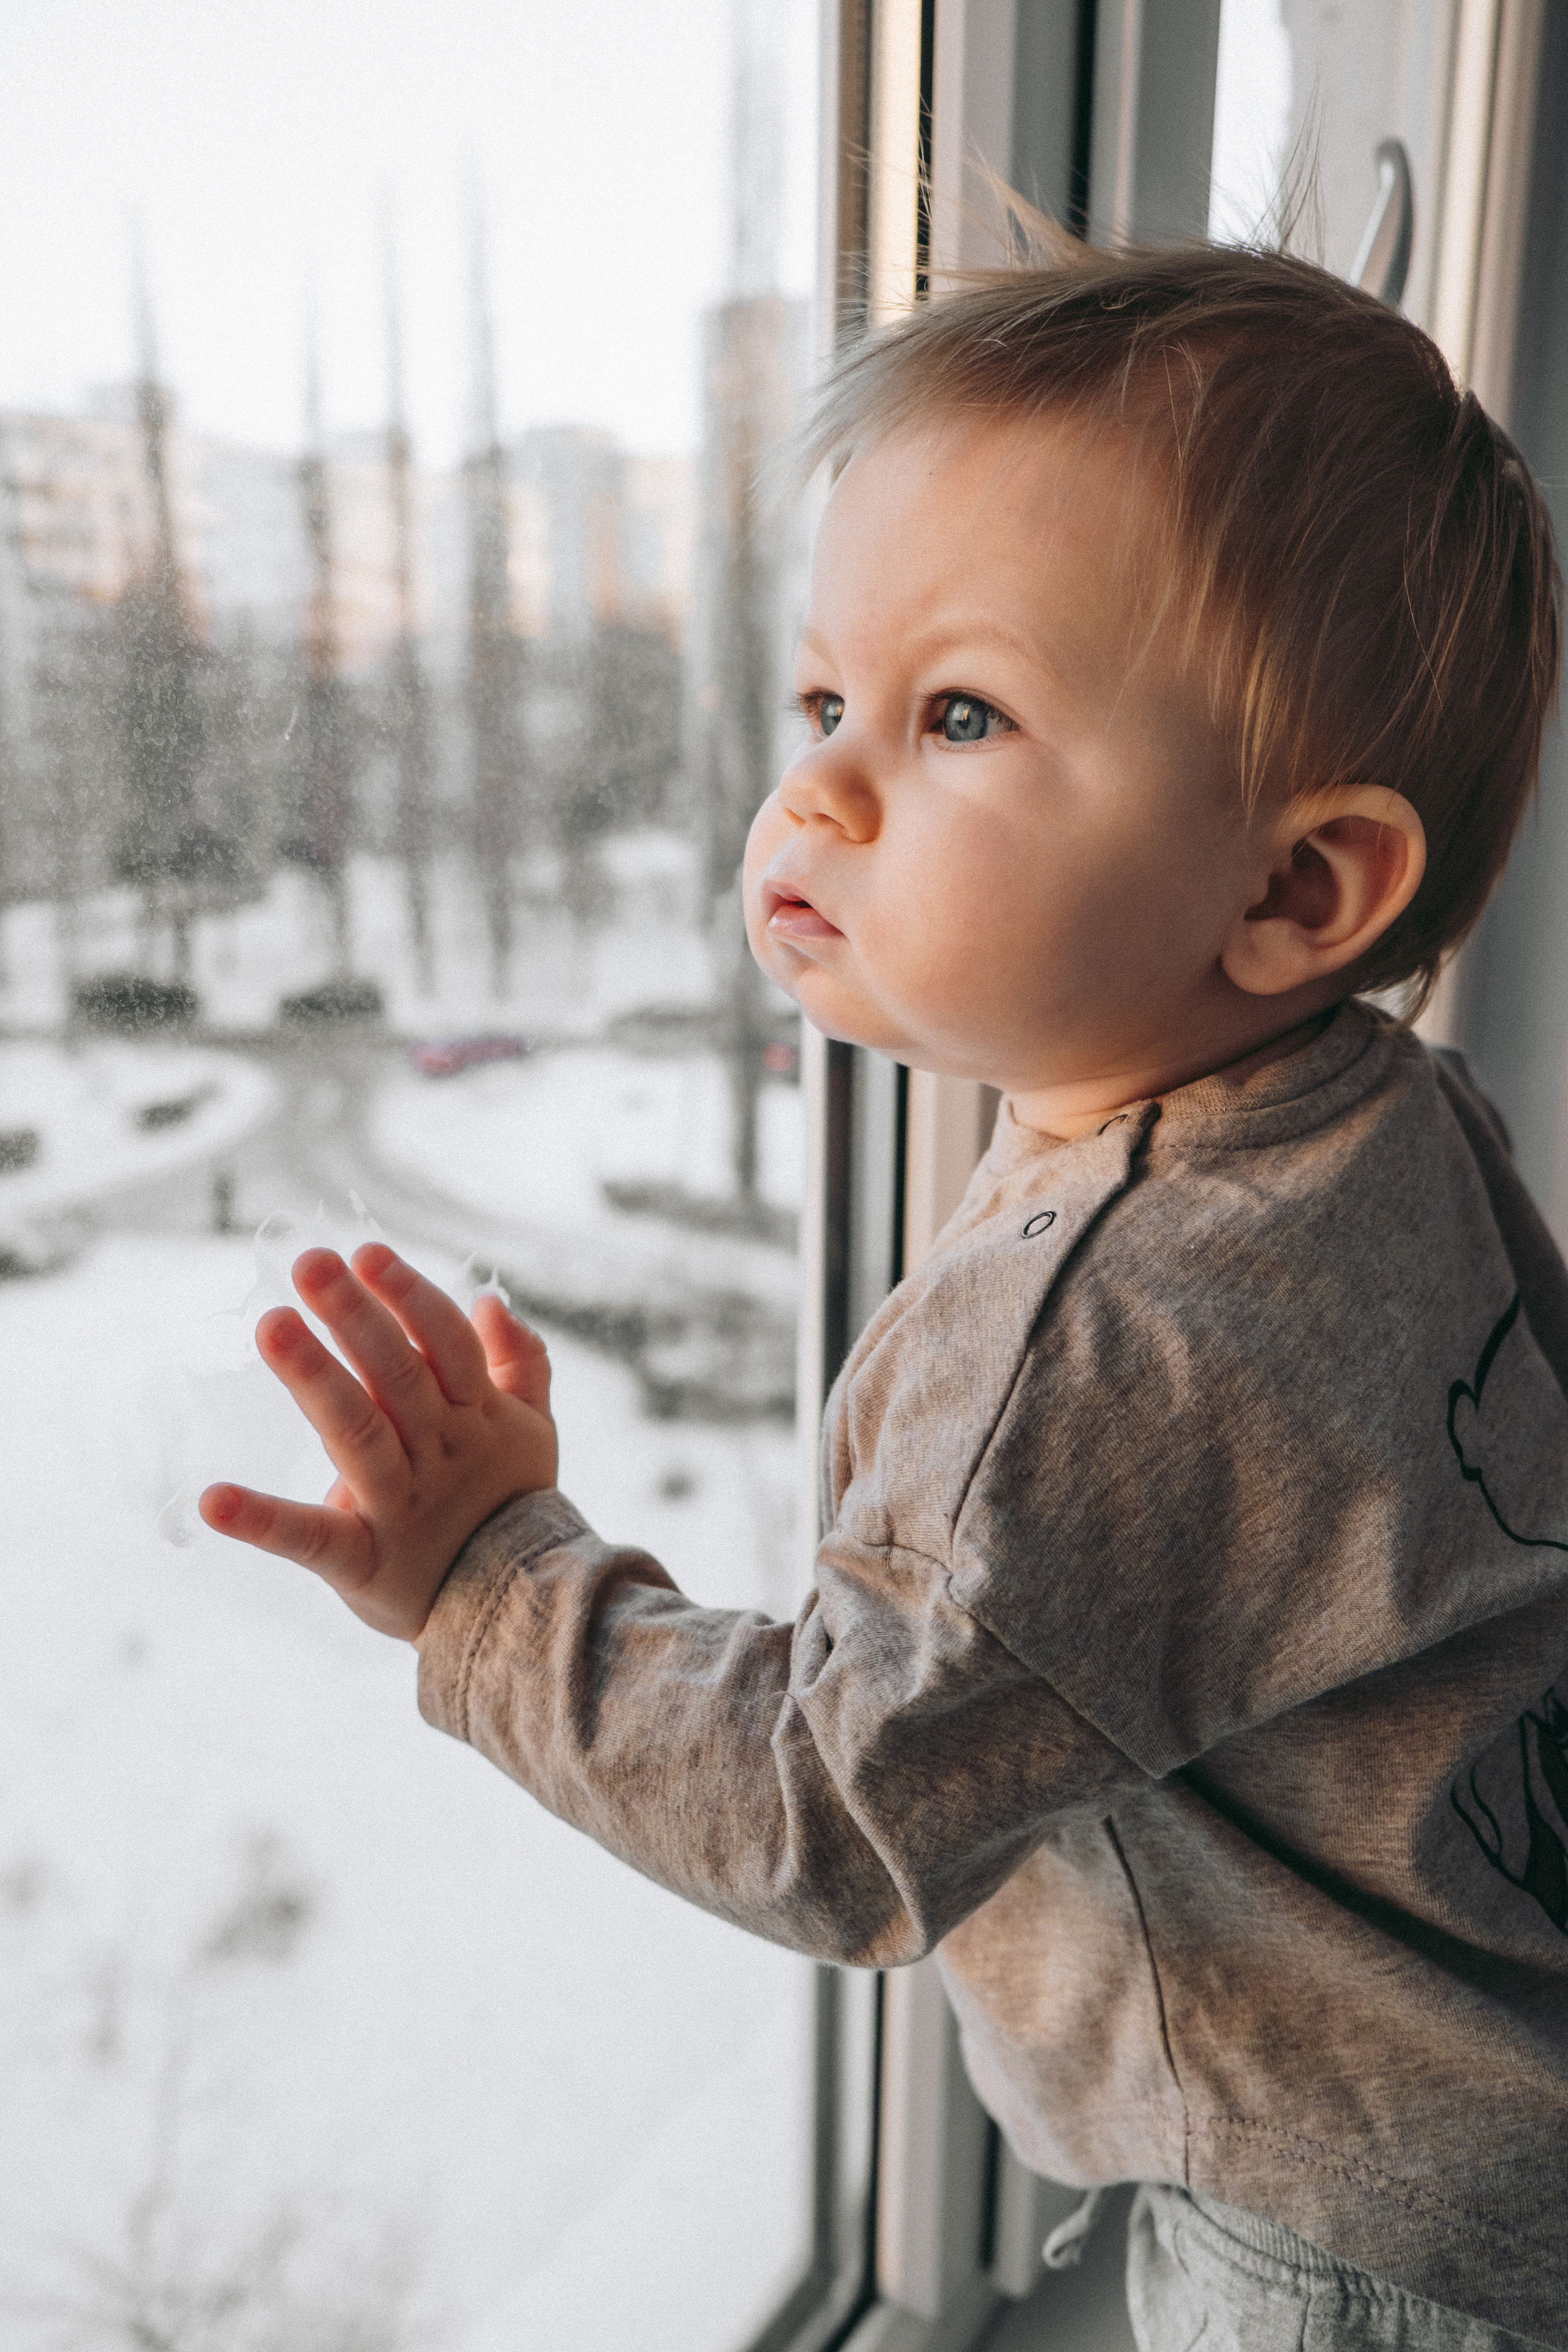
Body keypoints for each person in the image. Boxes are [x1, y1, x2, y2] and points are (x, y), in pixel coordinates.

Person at [202, 243, 1568, 2350]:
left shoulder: (1104, 1339)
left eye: (957, 716)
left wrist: (493, 1583)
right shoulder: (1396, 1116)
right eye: (823, 701)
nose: (818, 794)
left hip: (1349, 2237)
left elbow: (831, 1813)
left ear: (1295, 889)